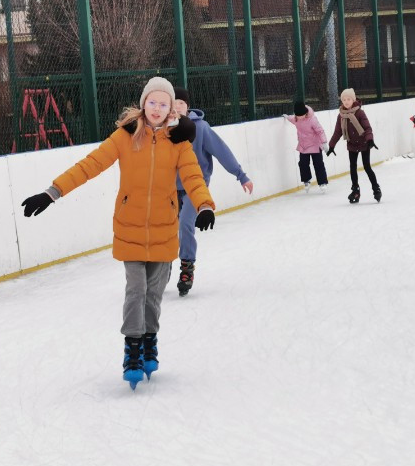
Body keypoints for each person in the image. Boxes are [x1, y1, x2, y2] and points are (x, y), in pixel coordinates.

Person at [20, 77, 215, 389]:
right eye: (152, 102)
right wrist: (52, 192)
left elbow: (193, 175)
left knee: (153, 295)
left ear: (170, 109)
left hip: (165, 230)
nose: (157, 108)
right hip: (130, 229)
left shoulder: (179, 141)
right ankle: (133, 347)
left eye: (163, 104)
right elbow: (91, 164)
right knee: (135, 290)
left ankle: (149, 338)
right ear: (143, 104)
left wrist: (204, 205)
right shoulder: (126, 136)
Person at [173, 87, 253, 296]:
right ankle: (161, 267)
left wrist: (241, 175)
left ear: (187, 106)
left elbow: (221, 151)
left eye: (181, 103)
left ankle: (187, 267)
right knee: (165, 228)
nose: (176, 106)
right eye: (173, 103)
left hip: (195, 186)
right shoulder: (162, 129)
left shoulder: (201, 128)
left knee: (185, 223)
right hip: (170, 188)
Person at [327, 87, 380, 203]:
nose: (346, 102)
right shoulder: (341, 115)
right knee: (353, 167)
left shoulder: (360, 113)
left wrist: (370, 140)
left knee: (367, 167)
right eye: (344, 99)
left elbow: (367, 128)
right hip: (351, 144)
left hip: (364, 143)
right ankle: (355, 190)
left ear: (353, 100)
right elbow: (338, 132)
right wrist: (331, 146)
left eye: (348, 99)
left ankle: (376, 188)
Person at [284, 99, 329, 193]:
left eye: (301, 115)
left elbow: (320, 131)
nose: (300, 117)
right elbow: (291, 118)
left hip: (315, 145)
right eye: (298, 115)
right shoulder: (295, 118)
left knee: (318, 164)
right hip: (303, 146)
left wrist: (324, 143)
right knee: (303, 164)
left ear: (305, 113)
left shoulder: (312, 119)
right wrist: (286, 117)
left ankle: (322, 182)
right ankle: (306, 180)